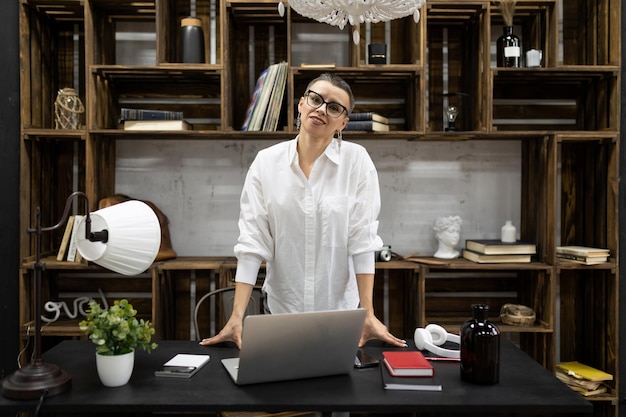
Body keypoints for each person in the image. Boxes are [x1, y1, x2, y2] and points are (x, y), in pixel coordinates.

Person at [200, 73, 406, 349]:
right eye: (315, 99)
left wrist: (367, 313)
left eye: (334, 107)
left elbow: (363, 241)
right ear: (301, 104)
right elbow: (252, 242)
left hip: (340, 315)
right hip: (282, 311)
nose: (321, 109)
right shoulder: (266, 163)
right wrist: (238, 315)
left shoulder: (357, 162)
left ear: (343, 123)